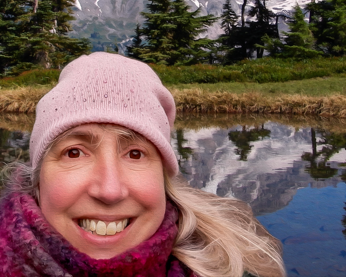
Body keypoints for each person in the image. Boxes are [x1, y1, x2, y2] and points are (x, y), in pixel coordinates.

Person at [0, 53, 285, 277]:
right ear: (37, 182)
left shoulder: (240, 269)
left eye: (135, 154)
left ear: (163, 179)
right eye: (74, 153)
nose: (110, 190)